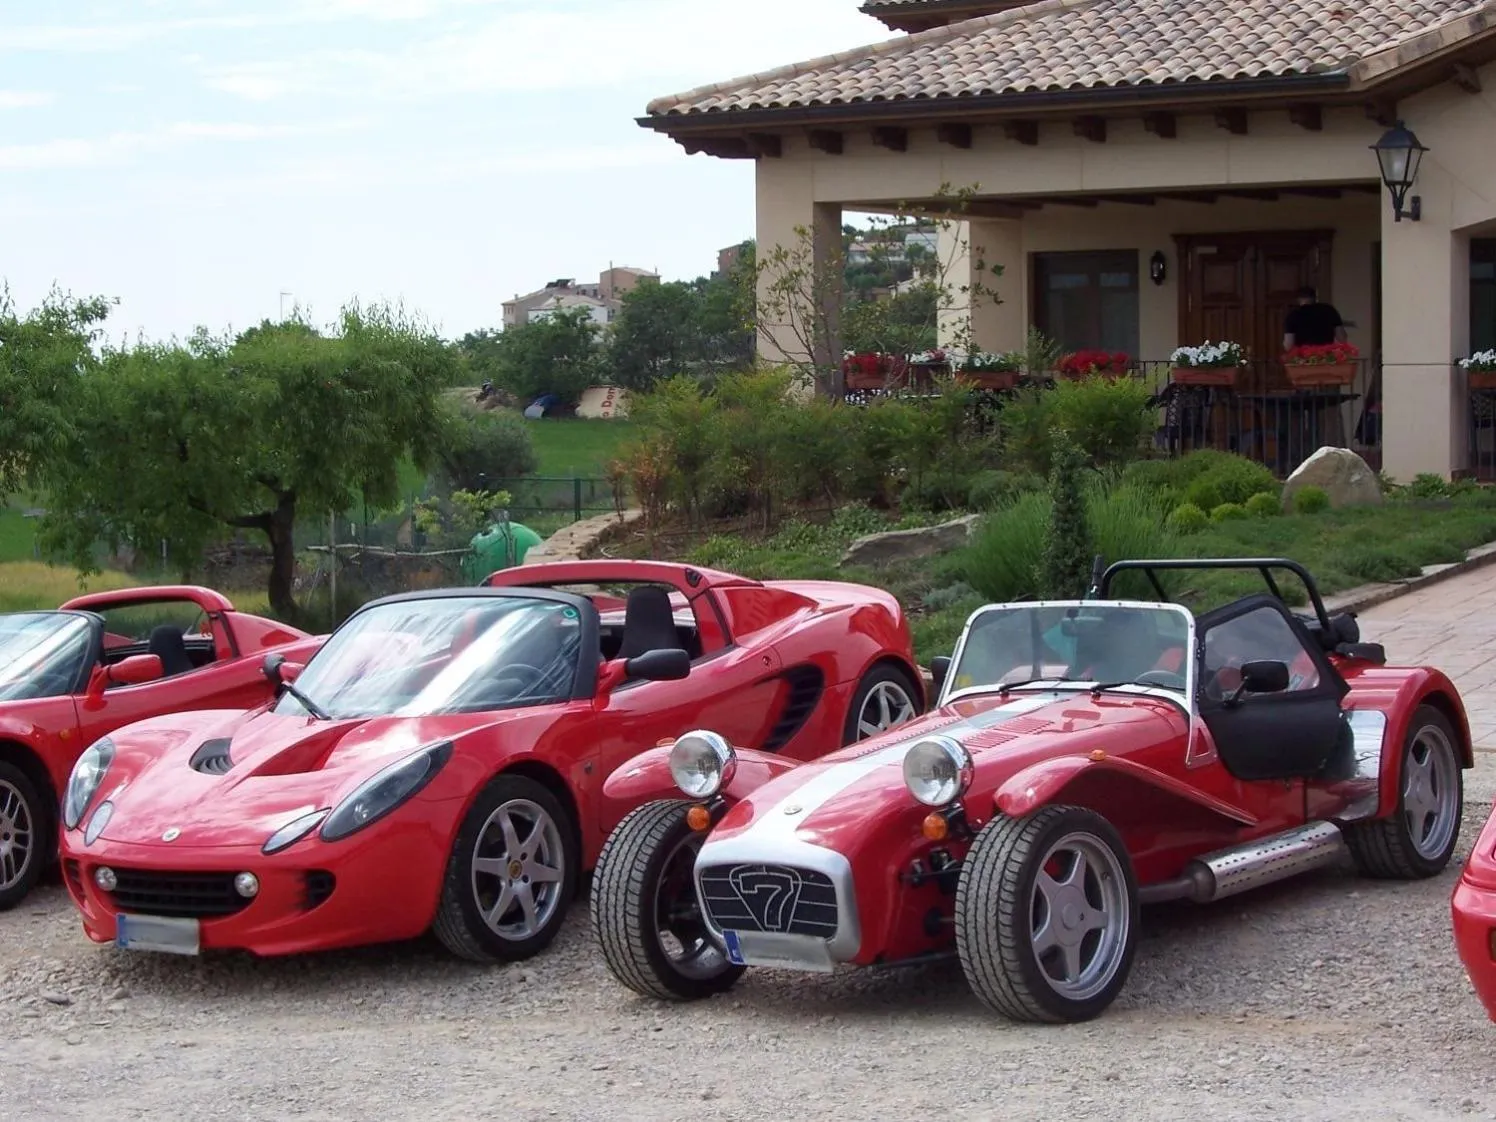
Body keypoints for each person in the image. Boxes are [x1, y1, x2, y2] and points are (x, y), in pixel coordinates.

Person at [1282, 286, 1347, 351]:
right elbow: (1342, 337)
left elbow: (1289, 345)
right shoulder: (1329, 310)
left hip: (1304, 354)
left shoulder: (1293, 315)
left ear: (1298, 299)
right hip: (1326, 353)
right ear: (1315, 297)